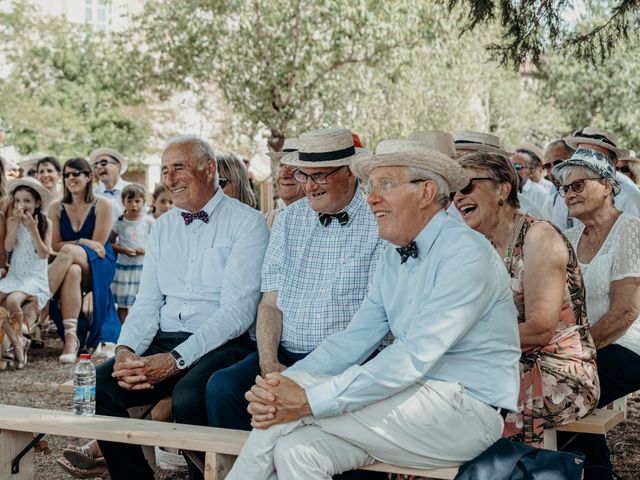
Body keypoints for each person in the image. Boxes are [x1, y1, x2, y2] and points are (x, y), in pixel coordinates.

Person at [226, 142, 521, 479]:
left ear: (425, 192)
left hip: (464, 414)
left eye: (386, 184)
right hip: (404, 403)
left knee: (290, 409)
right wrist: (282, 384)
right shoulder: (392, 256)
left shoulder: (467, 254)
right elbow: (353, 339)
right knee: (295, 449)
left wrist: (303, 397)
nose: (370, 198)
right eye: (372, 186)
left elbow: (413, 356)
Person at [95, 135, 269, 480]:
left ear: (209, 169)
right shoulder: (161, 227)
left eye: (179, 168)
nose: (169, 179)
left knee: (191, 395)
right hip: (166, 336)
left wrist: (175, 361)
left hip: (223, 341)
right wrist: (127, 350)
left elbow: (237, 312)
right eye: (164, 170)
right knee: (102, 383)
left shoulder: (248, 223)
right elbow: (147, 301)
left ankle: (202, 476)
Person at [205, 128, 386, 437]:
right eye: (304, 175)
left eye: (320, 176)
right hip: (284, 356)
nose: (310, 186)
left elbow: (374, 322)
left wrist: (302, 376)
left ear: (350, 172)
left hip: (350, 361)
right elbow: (270, 303)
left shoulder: (379, 221)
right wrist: (268, 362)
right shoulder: (290, 219)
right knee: (222, 388)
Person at [453, 150, 599, 447]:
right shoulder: (481, 246)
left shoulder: (538, 237)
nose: (457, 198)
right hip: (506, 362)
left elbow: (540, 329)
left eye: (466, 186)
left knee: (464, 409)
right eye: (453, 191)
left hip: (558, 372)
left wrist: (463, 342)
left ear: (502, 190)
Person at [552, 148, 640, 479]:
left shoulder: (631, 230)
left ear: (606, 185)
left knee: (560, 394)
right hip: (579, 347)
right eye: (564, 188)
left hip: (628, 346)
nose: (569, 193)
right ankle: (598, 473)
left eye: (578, 185)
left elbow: (626, 312)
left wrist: (577, 352)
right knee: (543, 388)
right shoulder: (569, 238)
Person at [47, 158, 120, 363]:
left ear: (88, 177)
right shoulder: (56, 208)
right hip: (72, 264)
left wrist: (79, 243)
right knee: (72, 271)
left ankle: (38, 305)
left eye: (75, 173)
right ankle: (71, 341)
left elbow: (98, 245)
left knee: (69, 251)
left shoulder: (103, 204)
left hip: (100, 261)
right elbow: (54, 246)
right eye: (67, 174)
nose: (70, 178)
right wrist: (81, 240)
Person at [0, 178, 52, 369]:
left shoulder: (46, 222)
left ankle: (19, 339)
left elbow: (44, 252)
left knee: (13, 301)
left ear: (37, 203)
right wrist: (13, 224)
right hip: (16, 274)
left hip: (33, 277)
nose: (22, 205)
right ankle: (17, 341)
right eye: (18, 200)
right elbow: (8, 246)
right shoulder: (12, 220)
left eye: (27, 201)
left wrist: (32, 229)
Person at [549, 128, 640, 231]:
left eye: (597, 157)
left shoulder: (630, 197)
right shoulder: (566, 194)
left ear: (613, 162)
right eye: (582, 154)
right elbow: (560, 237)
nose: (586, 163)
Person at [453, 131, 549, 220]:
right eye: (455, 158)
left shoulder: (527, 214)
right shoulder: (454, 204)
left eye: (465, 158)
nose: (458, 164)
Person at [110, 184, 153, 324]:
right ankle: (124, 330)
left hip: (142, 269)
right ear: (123, 203)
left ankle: (138, 329)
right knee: (123, 304)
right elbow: (110, 244)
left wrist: (145, 251)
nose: (134, 205)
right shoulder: (119, 222)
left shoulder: (148, 221)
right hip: (124, 269)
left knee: (140, 302)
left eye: (137, 201)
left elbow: (158, 245)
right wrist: (123, 250)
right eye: (129, 201)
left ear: (144, 202)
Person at [264, 138, 305, 228]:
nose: (284, 174)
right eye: (282, 165)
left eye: (294, 167)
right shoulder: (268, 219)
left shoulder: (322, 219)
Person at [90, 147, 131, 220]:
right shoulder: (92, 194)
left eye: (103, 163)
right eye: (96, 165)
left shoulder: (132, 189)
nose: (98, 167)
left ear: (117, 166)